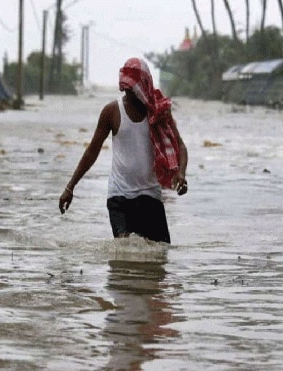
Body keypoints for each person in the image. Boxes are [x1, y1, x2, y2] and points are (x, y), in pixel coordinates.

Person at [58, 57, 188, 244]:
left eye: (132, 87)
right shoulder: (112, 112)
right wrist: (70, 187)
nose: (128, 92)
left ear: (144, 85)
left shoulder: (159, 112)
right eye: (125, 87)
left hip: (150, 195)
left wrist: (181, 174)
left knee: (159, 256)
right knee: (124, 253)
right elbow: (92, 151)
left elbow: (180, 146)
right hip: (119, 197)